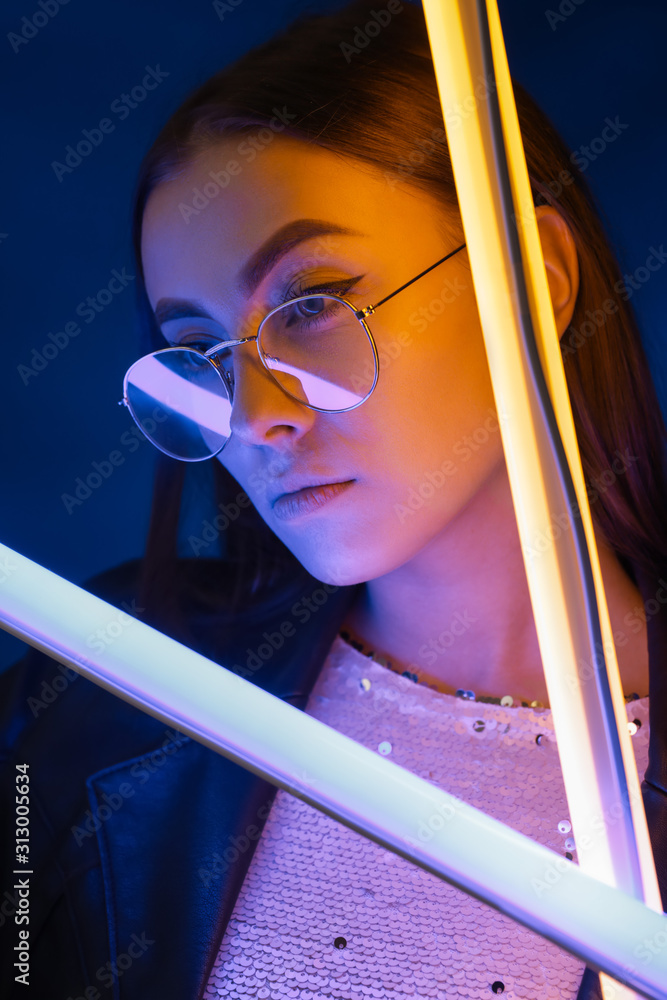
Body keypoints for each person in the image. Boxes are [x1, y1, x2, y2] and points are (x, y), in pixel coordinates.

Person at [1, 1, 666, 998]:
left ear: (534, 278)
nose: (252, 416)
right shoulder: (102, 693)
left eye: (309, 303)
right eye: (200, 352)